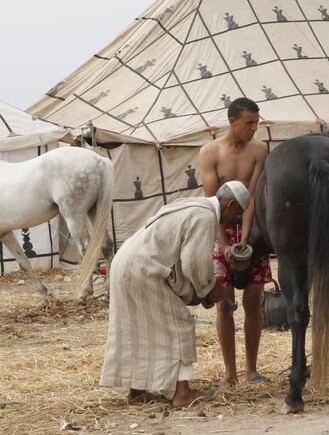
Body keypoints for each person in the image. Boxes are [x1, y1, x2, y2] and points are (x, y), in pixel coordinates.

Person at [100, 182, 247, 406]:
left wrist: (200, 292)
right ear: (231, 204)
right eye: (238, 212)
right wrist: (209, 288)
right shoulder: (205, 217)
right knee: (179, 324)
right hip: (142, 269)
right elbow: (194, 263)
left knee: (137, 327)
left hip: (125, 263)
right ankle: (182, 393)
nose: (237, 218)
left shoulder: (192, 204)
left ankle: (137, 391)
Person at [198, 97, 270, 385]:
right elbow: (212, 203)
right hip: (220, 229)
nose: (254, 128)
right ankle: (230, 374)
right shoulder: (210, 152)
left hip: (251, 232)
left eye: (256, 122)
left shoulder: (259, 150)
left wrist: (246, 240)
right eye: (248, 123)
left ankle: (251, 370)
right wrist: (225, 245)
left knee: (254, 301)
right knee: (224, 303)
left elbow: (251, 197)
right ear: (232, 121)